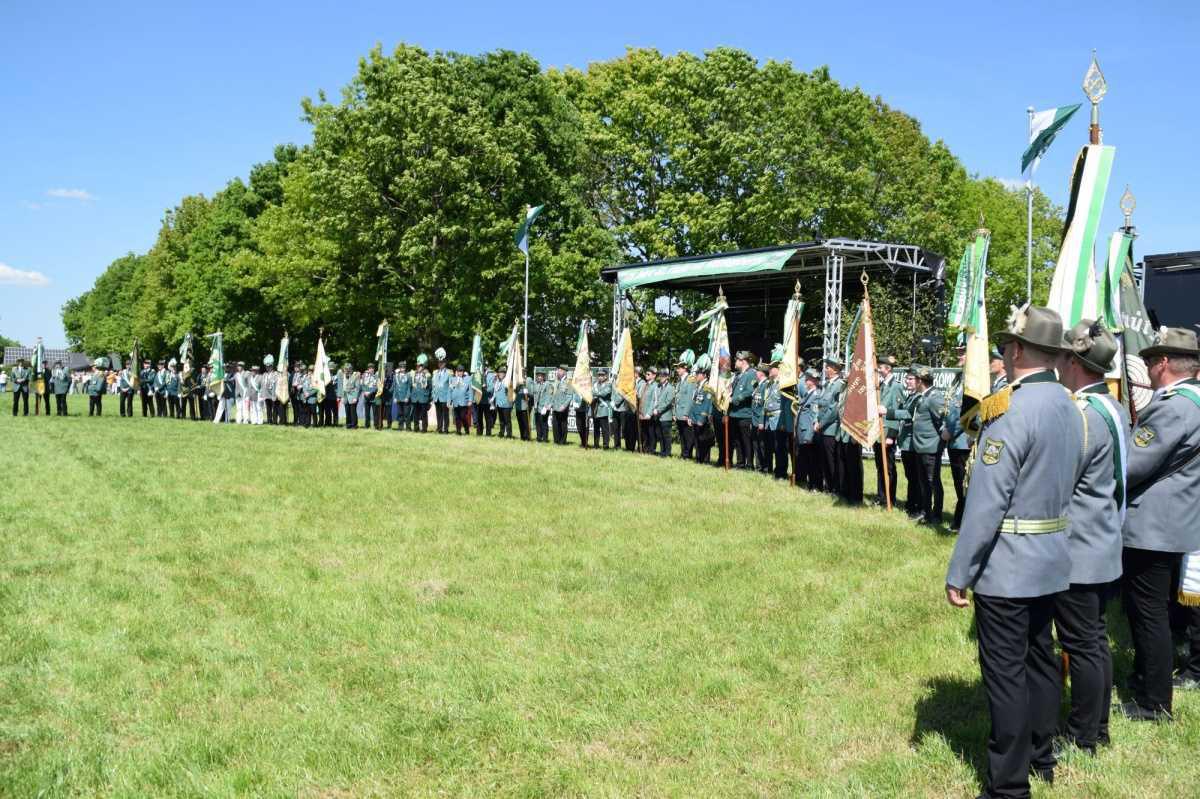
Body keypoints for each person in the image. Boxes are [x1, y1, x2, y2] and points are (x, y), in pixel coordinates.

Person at [945, 304, 1083, 798]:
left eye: (1007, 344)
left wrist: (960, 570)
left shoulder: (1009, 407)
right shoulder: (1070, 404)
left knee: (1005, 673)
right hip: (1053, 556)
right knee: (1040, 660)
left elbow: (986, 503)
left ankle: (1009, 785)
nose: (1002, 351)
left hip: (1009, 560)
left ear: (1019, 350)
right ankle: (1043, 757)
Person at [1053, 320, 1127, 753]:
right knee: (1094, 642)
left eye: (1063, 356)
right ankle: (1096, 728)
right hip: (1102, 539)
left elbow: (1060, 478)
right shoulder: (1111, 406)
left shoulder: (1082, 416)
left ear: (1074, 362)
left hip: (1079, 545)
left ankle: (1083, 735)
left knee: (1081, 645)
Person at [1120, 326, 1200, 721]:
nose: (1148, 368)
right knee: (1159, 613)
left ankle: (1153, 702)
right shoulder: (1193, 402)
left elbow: (1133, 465)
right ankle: (1151, 685)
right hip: (1175, 521)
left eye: (1150, 361)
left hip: (1153, 526)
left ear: (1163, 363)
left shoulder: (1173, 406)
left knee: (1147, 613)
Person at [886, 366, 946, 524]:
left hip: (930, 447)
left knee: (933, 482)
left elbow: (943, 421)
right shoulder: (922, 396)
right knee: (924, 483)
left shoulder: (934, 397)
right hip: (920, 447)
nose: (910, 381)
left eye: (914, 379)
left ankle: (936, 515)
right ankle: (926, 513)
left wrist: (939, 442)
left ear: (920, 381)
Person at [944, 351, 973, 530]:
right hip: (953, 440)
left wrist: (951, 431)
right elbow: (948, 408)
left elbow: (969, 412)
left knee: (964, 483)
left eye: (963, 353)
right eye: (959, 353)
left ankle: (962, 521)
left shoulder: (973, 381)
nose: (959, 356)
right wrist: (944, 429)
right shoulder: (958, 379)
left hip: (963, 440)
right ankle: (960, 519)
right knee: (958, 482)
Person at [814, 358, 845, 494]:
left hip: (831, 428)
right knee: (824, 459)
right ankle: (828, 485)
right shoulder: (827, 384)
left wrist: (821, 423)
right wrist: (816, 420)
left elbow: (834, 409)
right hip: (821, 427)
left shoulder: (839, 385)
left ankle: (835, 487)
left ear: (836, 369)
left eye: (828, 367)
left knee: (832, 460)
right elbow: (819, 404)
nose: (825, 370)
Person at [875, 356, 902, 508]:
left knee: (889, 468)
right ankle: (881, 496)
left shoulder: (895, 386)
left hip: (887, 434)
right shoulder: (882, 385)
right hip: (878, 433)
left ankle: (890, 498)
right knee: (880, 466)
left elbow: (896, 413)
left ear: (888, 369)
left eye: (881, 366)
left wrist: (891, 435)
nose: (878, 368)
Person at [728, 352, 758, 468]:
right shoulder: (738, 375)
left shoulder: (751, 374)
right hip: (734, 413)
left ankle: (749, 464)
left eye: (737, 360)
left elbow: (750, 391)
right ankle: (740, 462)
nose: (735, 362)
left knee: (746, 440)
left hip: (745, 413)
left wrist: (734, 399)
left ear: (743, 361)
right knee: (737, 440)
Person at [896, 371, 919, 515]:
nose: (908, 381)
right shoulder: (910, 396)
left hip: (912, 443)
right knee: (910, 476)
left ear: (919, 381)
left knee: (915, 477)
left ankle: (915, 505)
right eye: (907, 378)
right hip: (905, 442)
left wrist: (889, 412)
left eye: (911, 379)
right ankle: (911, 503)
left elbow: (909, 414)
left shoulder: (918, 397)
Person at [796, 370, 821, 490]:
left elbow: (814, 417)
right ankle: (810, 484)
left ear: (815, 381)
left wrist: (809, 436)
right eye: (806, 378)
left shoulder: (815, 395)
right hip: (803, 431)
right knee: (807, 459)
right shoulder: (808, 394)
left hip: (808, 433)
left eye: (809, 379)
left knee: (813, 461)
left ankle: (814, 485)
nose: (806, 381)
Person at [689, 356, 714, 465]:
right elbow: (694, 403)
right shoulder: (698, 386)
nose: (696, 375)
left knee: (704, 440)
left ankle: (705, 460)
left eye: (698, 374)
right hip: (695, 417)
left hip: (701, 418)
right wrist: (690, 416)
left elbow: (707, 404)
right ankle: (699, 458)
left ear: (704, 375)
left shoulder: (707, 387)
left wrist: (701, 418)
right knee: (697, 440)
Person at [673, 354, 696, 460]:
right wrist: (674, 412)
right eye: (677, 367)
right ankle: (683, 453)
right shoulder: (680, 380)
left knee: (688, 435)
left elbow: (690, 399)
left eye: (679, 367)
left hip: (685, 413)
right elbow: (676, 398)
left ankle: (688, 454)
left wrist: (687, 413)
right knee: (681, 434)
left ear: (685, 368)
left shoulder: (690, 379)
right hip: (678, 412)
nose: (677, 369)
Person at [651, 366, 675, 457]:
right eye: (660, 376)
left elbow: (667, 402)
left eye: (663, 376)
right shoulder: (658, 387)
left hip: (665, 416)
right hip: (657, 415)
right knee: (660, 435)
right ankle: (662, 451)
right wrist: (654, 409)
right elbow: (655, 400)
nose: (660, 378)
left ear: (667, 377)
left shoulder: (670, 388)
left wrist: (658, 410)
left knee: (666, 436)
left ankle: (667, 453)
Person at [637, 366, 657, 453]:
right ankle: (644, 448)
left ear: (654, 376)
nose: (646, 375)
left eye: (649, 374)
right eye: (646, 373)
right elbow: (640, 396)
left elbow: (654, 400)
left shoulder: (655, 386)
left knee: (651, 432)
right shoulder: (644, 384)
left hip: (649, 414)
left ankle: (651, 449)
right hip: (642, 412)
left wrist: (649, 413)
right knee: (644, 432)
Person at [551, 365, 572, 445]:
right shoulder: (556, 381)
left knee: (563, 424)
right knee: (555, 424)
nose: (557, 372)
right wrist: (551, 404)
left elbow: (570, 396)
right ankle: (556, 440)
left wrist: (564, 405)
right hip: (555, 406)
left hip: (563, 407)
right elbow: (552, 393)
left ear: (564, 372)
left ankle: (562, 441)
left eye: (559, 371)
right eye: (557, 371)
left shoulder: (569, 382)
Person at [591, 369, 612, 449]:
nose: (600, 377)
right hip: (595, 409)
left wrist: (595, 394)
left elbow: (604, 393)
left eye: (602, 375)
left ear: (606, 376)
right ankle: (596, 445)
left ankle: (606, 445)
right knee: (596, 429)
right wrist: (596, 394)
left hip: (603, 409)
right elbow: (591, 392)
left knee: (604, 429)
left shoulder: (608, 384)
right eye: (599, 375)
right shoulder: (595, 384)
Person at [410, 355, 431, 432]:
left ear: (423, 367)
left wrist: (429, 399)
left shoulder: (427, 375)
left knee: (424, 414)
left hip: (423, 398)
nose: (418, 367)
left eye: (420, 366)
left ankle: (424, 428)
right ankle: (416, 428)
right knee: (415, 414)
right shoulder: (413, 374)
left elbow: (430, 387)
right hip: (415, 398)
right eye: (417, 366)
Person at [450, 365, 472, 434]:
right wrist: (449, 400)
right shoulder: (453, 379)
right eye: (459, 371)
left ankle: (466, 429)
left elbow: (470, 390)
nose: (460, 373)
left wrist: (470, 400)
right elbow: (450, 390)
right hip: (455, 401)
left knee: (463, 416)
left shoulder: (468, 379)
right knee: (457, 417)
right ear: (457, 372)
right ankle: (458, 431)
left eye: (461, 371)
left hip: (464, 401)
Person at [432, 357, 451, 434]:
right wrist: (433, 396)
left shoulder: (449, 373)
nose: (440, 364)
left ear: (445, 364)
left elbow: (450, 387)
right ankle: (439, 428)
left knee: (445, 414)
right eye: (439, 363)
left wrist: (449, 398)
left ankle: (446, 429)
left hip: (445, 397)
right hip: (437, 397)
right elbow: (434, 386)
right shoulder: (435, 373)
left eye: (442, 363)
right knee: (438, 414)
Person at [570, 373, 590, 448]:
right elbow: (573, 395)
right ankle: (582, 441)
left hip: (585, 410)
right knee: (579, 427)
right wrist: (573, 403)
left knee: (585, 427)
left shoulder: (587, 387)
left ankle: (585, 443)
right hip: (577, 409)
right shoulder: (576, 387)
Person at [339, 363, 361, 429]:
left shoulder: (355, 376)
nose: (347, 370)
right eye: (345, 369)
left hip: (352, 396)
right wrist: (342, 397)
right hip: (345, 396)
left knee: (353, 412)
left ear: (351, 369)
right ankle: (348, 424)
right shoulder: (343, 376)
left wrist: (355, 397)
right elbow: (342, 387)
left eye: (348, 369)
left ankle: (354, 425)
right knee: (347, 411)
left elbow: (358, 388)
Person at [391, 361, 411, 431]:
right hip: (398, 397)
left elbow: (409, 388)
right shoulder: (396, 376)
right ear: (399, 368)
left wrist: (407, 397)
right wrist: (395, 397)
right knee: (400, 414)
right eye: (401, 367)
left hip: (405, 398)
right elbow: (395, 387)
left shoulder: (408, 376)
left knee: (406, 414)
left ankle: (408, 427)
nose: (403, 368)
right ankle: (400, 427)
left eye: (404, 367)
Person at [494, 372, 514, 438]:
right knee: (501, 420)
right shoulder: (498, 382)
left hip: (506, 404)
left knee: (507, 421)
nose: (500, 375)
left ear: (505, 374)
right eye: (499, 373)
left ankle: (509, 434)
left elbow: (511, 391)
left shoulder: (508, 381)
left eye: (502, 373)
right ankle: (501, 432)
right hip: (499, 404)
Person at [533, 371, 551, 443]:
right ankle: (539, 437)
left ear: (544, 377)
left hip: (544, 407)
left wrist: (546, 406)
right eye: (538, 376)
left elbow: (550, 395)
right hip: (537, 407)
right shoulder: (536, 384)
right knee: (537, 423)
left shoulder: (547, 384)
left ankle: (545, 438)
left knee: (543, 423)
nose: (539, 377)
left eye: (541, 376)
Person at [360, 363, 379, 430]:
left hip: (373, 397)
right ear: (368, 369)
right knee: (367, 413)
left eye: (372, 368)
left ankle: (376, 426)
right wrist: (365, 392)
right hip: (366, 397)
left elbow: (377, 387)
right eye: (370, 368)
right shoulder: (364, 376)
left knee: (375, 413)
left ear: (374, 369)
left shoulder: (376, 377)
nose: (371, 369)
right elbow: (362, 385)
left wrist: (370, 392)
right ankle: (367, 425)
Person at [515, 376, 531, 441]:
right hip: (518, 406)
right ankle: (522, 436)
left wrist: (527, 391)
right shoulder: (517, 382)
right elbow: (514, 391)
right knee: (520, 423)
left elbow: (531, 392)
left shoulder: (528, 380)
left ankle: (527, 437)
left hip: (525, 407)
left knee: (526, 423)